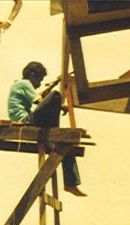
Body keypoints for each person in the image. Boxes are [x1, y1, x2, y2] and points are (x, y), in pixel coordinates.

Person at [7, 62, 86, 197]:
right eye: (39, 80)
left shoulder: (22, 85)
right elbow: (40, 101)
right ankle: (55, 132)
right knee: (55, 96)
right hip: (25, 121)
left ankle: (71, 183)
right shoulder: (24, 84)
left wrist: (56, 81)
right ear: (32, 75)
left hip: (28, 120)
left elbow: (42, 96)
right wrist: (61, 106)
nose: (39, 84)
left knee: (64, 144)